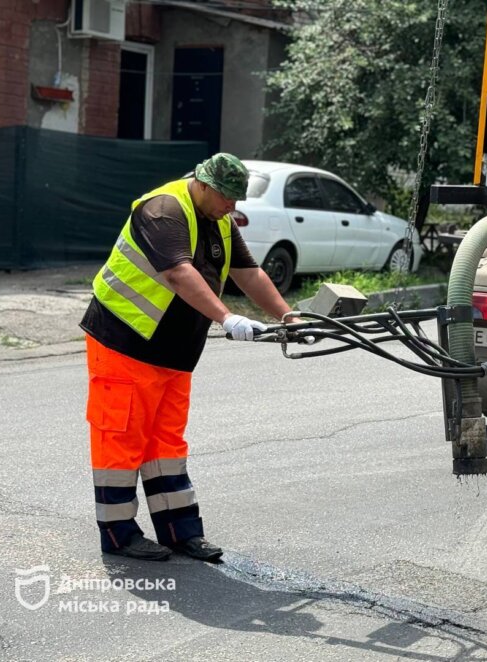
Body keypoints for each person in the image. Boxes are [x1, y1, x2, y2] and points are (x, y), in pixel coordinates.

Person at [80, 153, 299, 562]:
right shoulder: (163, 211)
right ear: (203, 183)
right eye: (227, 198)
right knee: (121, 440)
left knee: (166, 445)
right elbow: (178, 273)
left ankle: (180, 532)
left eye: (237, 200)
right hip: (124, 344)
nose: (233, 207)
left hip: (173, 353)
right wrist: (227, 316)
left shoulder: (220, 222)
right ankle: (117, 533)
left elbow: (248, 273)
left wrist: (287, 315)